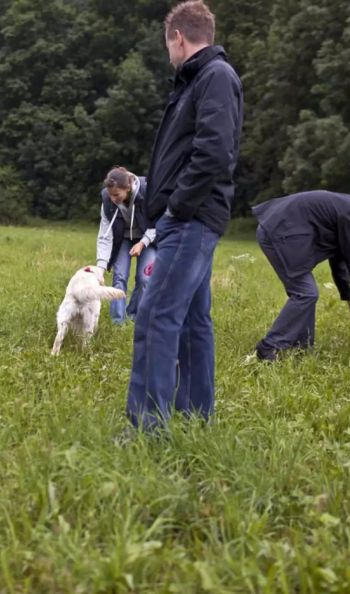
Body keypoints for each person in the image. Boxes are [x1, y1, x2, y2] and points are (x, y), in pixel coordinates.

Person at [125, 0, 243, 431]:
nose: (168, 54)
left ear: (178, 37)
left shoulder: (213, 77)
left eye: (167, 45)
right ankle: (196, 417)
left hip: (190, 219)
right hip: (190, 217)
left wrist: (177, 206)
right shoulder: (198, 80)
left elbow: (214, 151)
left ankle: (146, 428)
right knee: (193, 322)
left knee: (155, 316)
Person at [251, 190, 350, 361]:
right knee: (305, 293)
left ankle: (302, 348)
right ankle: (269, 347)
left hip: (279, 230)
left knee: (306, 293)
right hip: (279, 234)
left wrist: (348, 296)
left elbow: (339, 259)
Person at [95, 167, 156, 324]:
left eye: (116, 195)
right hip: (122, 239)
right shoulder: (108, 201)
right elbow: (105, 235)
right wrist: (100, 269)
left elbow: (158, 223)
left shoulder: (147, 192)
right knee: (119, 276)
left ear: (128, 188)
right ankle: (118, 322)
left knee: (144, 278)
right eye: (110, 194)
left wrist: (143, 243)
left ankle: (134, 316)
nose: (113, 198)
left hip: (147, 237)